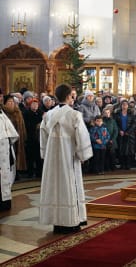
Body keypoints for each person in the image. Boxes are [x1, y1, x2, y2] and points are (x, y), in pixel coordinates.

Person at [39, 83, 93, 234]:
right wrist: (83, 155)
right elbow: (81, 136)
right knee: (69, 184)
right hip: (68, 154)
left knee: (55, 186)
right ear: (69, 96)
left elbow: (43, 135)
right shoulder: (74, 114)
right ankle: (70, 222)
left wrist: (45, 154)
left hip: (52, 155)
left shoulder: (49, 114)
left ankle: (57, 221)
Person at [0, 107, 19, 211]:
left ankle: (5, 202)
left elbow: (11, 133)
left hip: (5, 148)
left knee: (5, 175)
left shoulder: (2, 112)